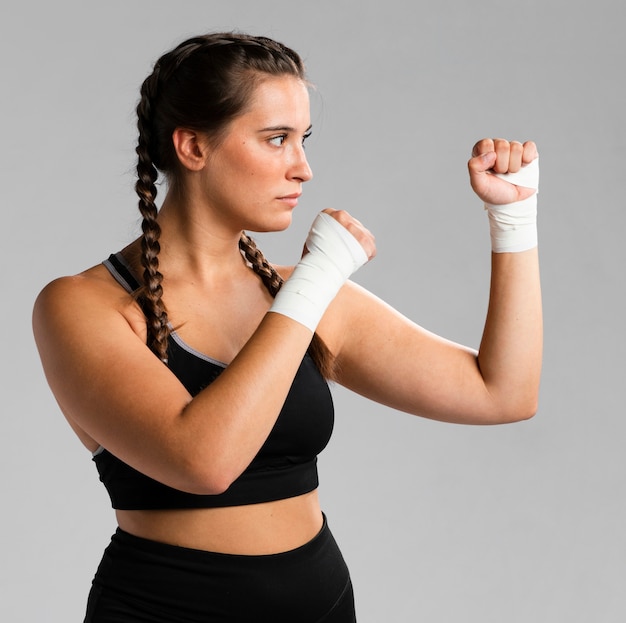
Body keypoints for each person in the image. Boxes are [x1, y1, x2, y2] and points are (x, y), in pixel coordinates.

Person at [32, 32, 542, 623]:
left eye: (303, 139)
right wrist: (313, 284)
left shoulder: (300, 290)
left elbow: (502, 392)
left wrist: (513, 220)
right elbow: (204, 463)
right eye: (276, 139)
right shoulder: (84, 306)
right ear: (193, 147)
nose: (303, 168)